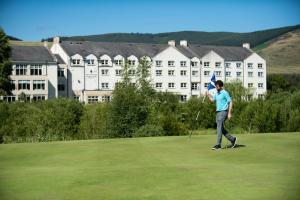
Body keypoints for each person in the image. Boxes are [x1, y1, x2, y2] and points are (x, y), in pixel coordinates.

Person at [206, 80, 237, 150]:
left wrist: (229, 113)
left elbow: (230, 102)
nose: (216, 87)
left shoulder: (225, 93)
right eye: (216, 86)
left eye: (217, 86)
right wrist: (208, 94)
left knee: (219, 128)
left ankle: (218, 145)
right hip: (218, 113)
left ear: (221, 86)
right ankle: (232, 139)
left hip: (224, 112)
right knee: (221, 129)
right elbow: (212, 100)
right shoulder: (217, 94)